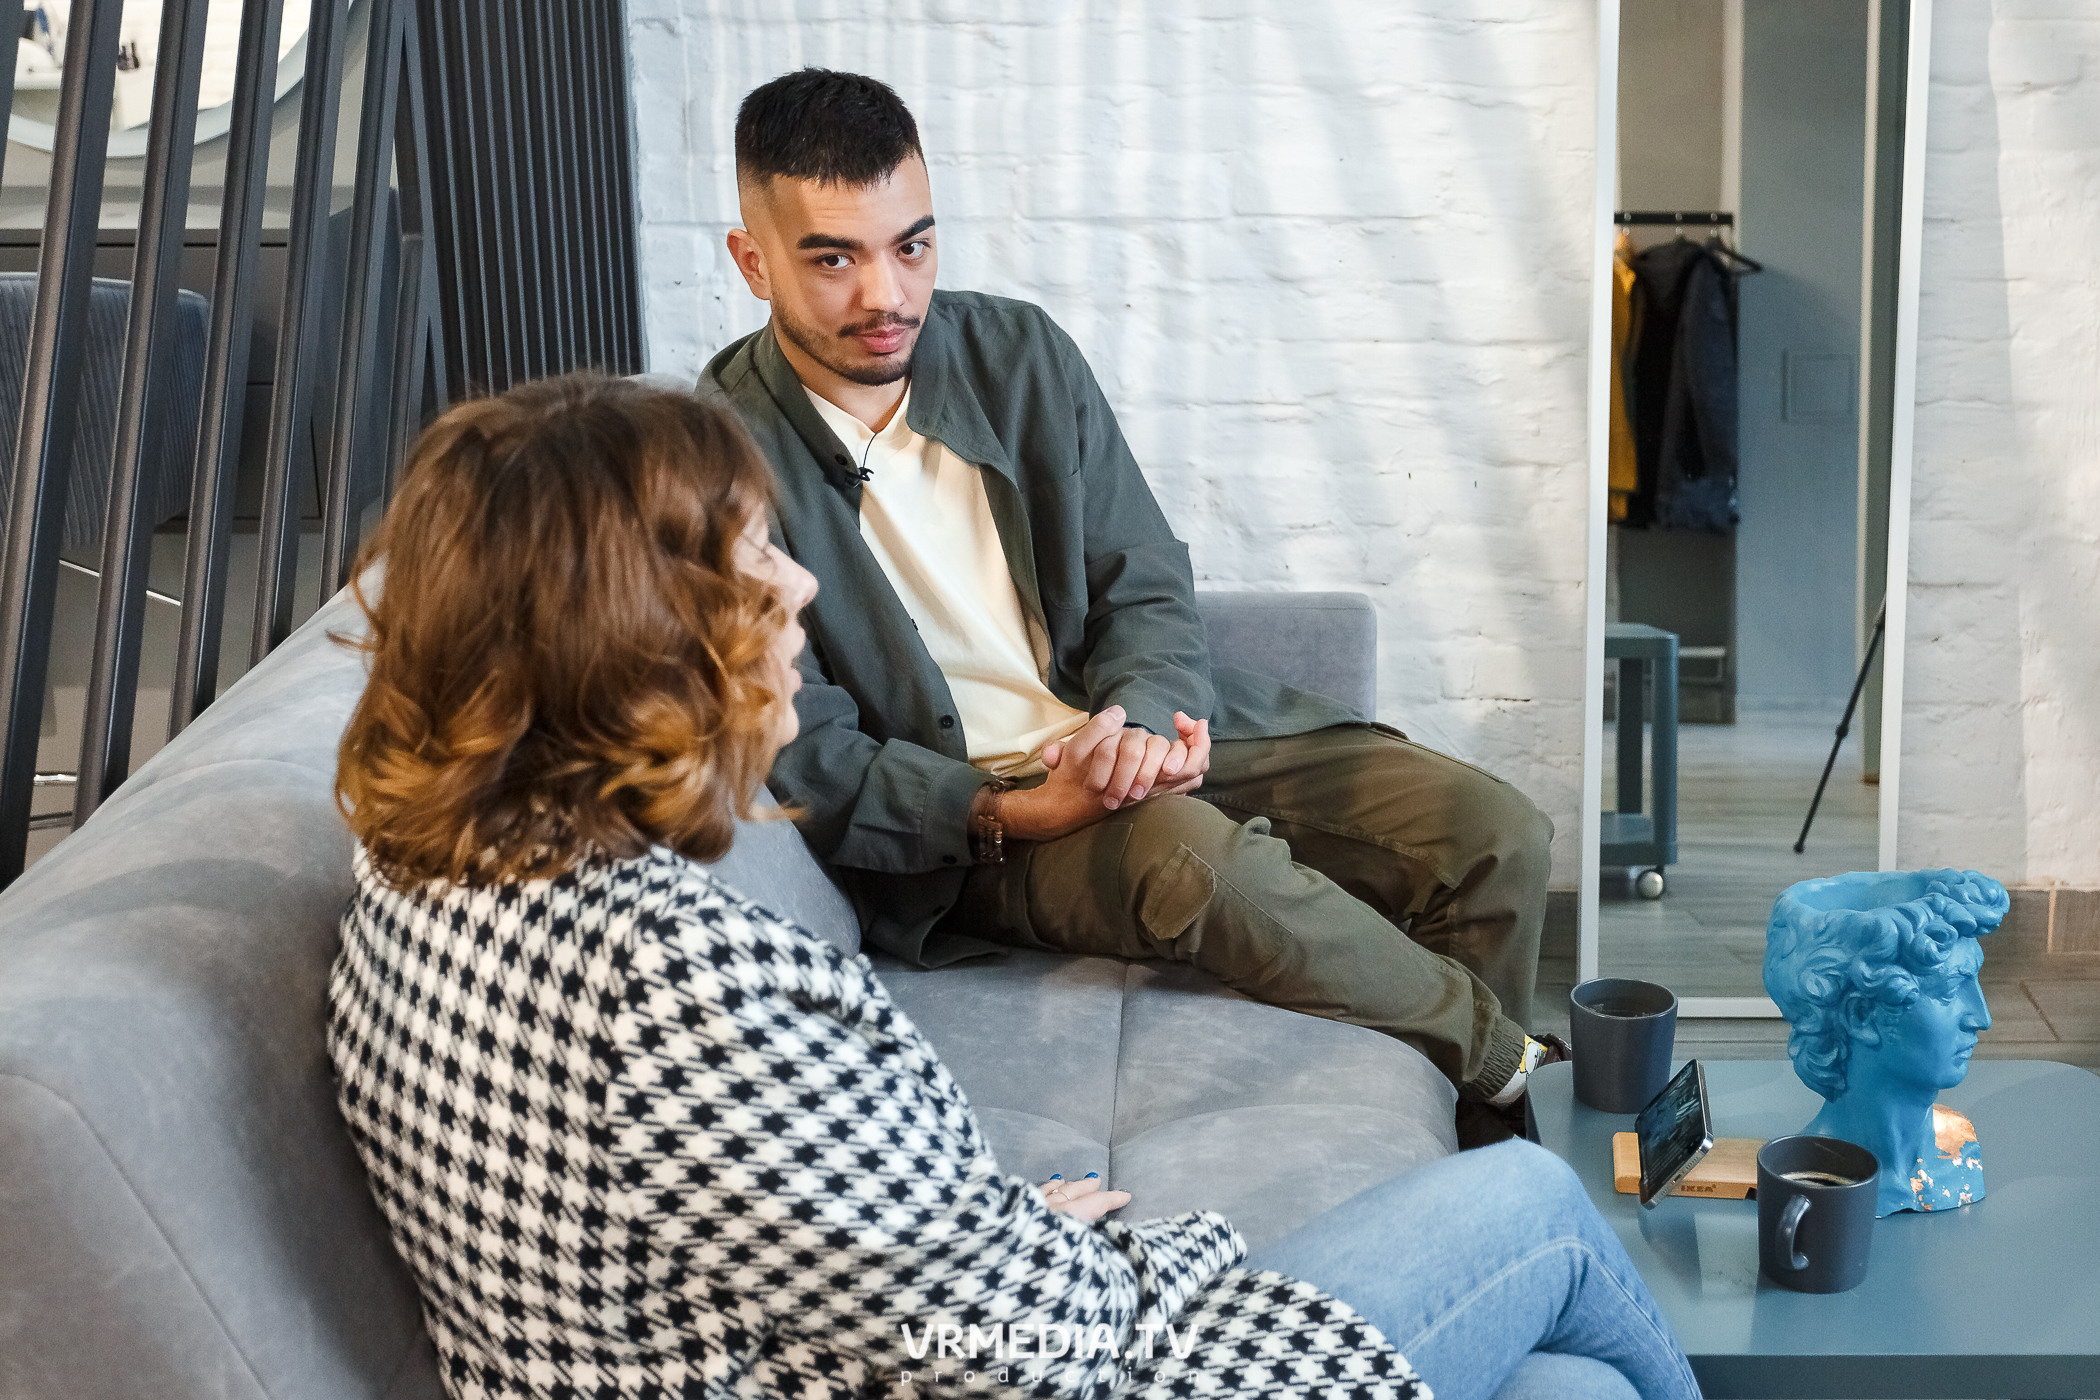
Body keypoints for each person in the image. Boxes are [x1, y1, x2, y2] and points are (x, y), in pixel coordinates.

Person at [327, 374, 1700, 1400]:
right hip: (1057, 1368)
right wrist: (1150, 1253)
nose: (800, 586)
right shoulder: (676, 979)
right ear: (626, 631)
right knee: (1533, 1216)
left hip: (888, 1339)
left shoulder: (421, 882)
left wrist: (963, 1240)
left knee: (1568, 1387)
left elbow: (765, 1234)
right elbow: (1042, 1353)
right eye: (754, 554)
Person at [702, 68, 1566, 1123]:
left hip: (1121, 727)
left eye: (912, 245)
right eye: (833, 258)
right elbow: (810, 751)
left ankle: (1476, 1155)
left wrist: (1144, 729)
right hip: (977, 828)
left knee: (1493, 830)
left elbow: (1143, 579)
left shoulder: (1017, 355)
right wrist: (1008, 806)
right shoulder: (714, 460)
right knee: (1188, 862)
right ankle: (1502, 1065)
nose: (886, 294)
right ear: (752, 261)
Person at [1763, 869, 2007, 1216]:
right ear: (1861, 1015)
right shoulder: (1813, 1181)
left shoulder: (1958, 1158)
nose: (1982, 1018)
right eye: (1951, 990)